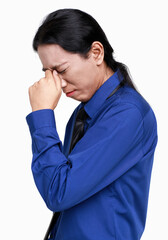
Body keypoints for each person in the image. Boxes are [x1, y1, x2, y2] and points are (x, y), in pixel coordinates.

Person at [26, 8, 158, 240]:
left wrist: (42, 115)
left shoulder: (127, 115)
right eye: (49, 73)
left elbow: (59, 192)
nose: (58, 84)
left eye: (62, 70)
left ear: (96, 52)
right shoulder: (84, 112)